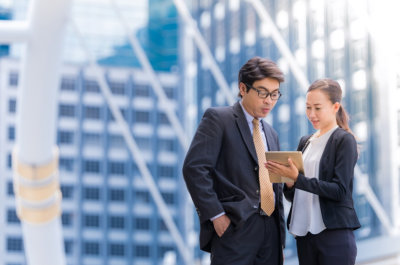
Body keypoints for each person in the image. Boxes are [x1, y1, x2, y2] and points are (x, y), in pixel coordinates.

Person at [182, 57, 286, 265]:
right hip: (235, 227)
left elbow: (274, 184)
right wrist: (216, 215)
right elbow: (194, 168)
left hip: (271, 232)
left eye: (274, 95)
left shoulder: (272, 134)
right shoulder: (219, 119)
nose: (269, 101)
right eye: (262, 92)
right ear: (243, 88)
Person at [266, 78, 361, 265]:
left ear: (335, 107)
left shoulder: (343, 140)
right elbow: (296, 195)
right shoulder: (305, 141)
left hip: (334, 234)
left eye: (317, 108)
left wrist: (298, 179)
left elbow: (340, 191)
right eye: (308, 107)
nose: (311, 114)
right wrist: (290, 183)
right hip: (305, 235)